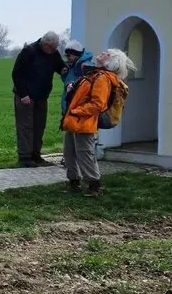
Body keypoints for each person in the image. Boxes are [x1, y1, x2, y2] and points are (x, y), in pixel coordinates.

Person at [61, 48, 135, 197]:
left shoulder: (102, 78)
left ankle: (94, 186)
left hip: (84, 120)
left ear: (111, 61)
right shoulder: (94, 74)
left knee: (85, 153)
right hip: (75, 120)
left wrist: (76, 111)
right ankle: (74, 183)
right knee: (69, 152)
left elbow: (98, 104)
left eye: (107, 53)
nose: (102, 53)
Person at [11, 31, 65, 168]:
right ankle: (24, 157)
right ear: (45, 44)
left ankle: (36, 155)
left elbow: (60, 67)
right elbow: (16, 73)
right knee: (25, 127)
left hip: (42, 96)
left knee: (39, 126)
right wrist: (23, 95)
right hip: (25, 97)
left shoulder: (53, 53)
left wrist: (66, 69)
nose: (53, 51)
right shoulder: (29, 51)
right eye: (51, 48)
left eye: (54, 49)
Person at [58, 39, 94, 116]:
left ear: (75, 54)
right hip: (70, 104)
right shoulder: (72, 64)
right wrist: (64, 74)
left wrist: (74, 85)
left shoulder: (86, 66)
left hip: (78, 107)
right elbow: (67, 81)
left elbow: (89, 86)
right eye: (66, 55)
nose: (67, 57)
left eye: (68, 55)